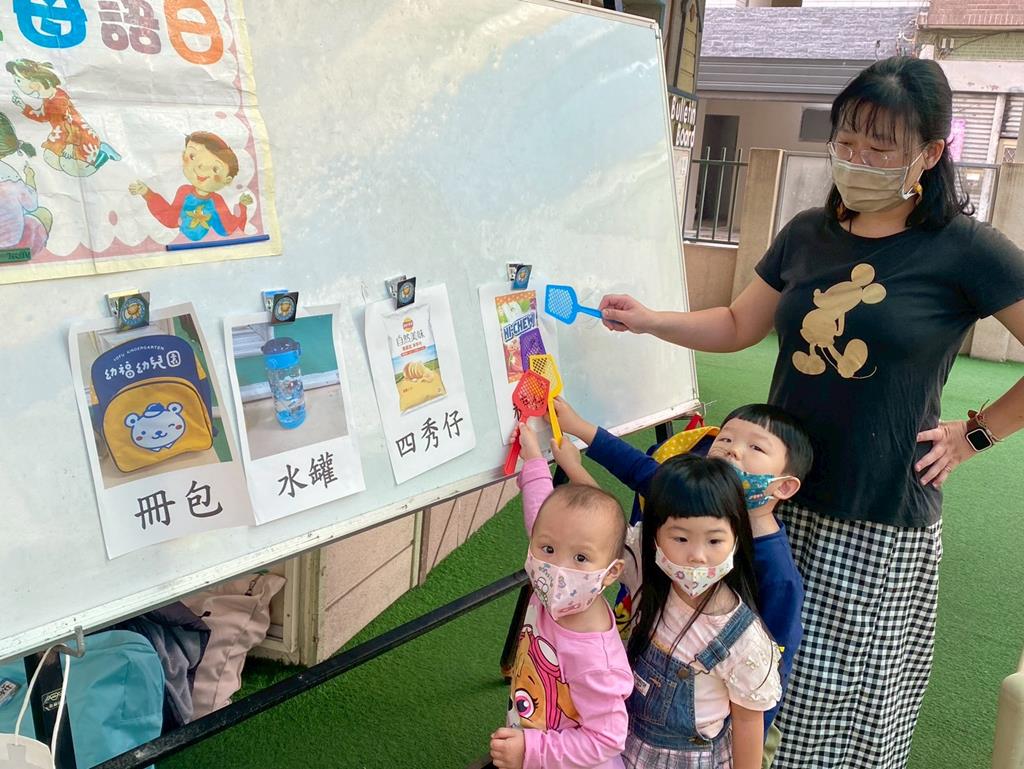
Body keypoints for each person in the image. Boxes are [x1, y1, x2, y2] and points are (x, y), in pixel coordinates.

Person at [597, 56, 1024, 769]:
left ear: (930, 154)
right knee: (741, 681)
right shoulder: (807, 233)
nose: (856, 160)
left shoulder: (965, 249)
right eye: (847, 140)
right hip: (769, 501)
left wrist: (977, 433)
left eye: (880, 148)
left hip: (874, 517)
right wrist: (650, 320)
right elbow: (739, 322)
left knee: (844, 713)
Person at [552, 399, 812, 766]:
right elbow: (622, 509)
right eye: (725, 439)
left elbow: (766, 679)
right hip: (631, 734)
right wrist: (579, 437)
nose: (733, 451)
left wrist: (751, 741)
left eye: (755, 447)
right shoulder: (684, 510)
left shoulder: (770, 589)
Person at [490, 423, 633, 769]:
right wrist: (535, 461)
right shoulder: (555, 589)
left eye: (581, 558)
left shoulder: (596, 661)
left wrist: (531, 751)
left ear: (611, 572)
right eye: (548, 550)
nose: (557, 568)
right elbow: (541, 519)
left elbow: (606, 740)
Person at [129, 131, 253, 242]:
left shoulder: (216, 201)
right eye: (192, 157)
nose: (201, 167)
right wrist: (148, 194)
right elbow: (170, 217)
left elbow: (227, 229)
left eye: (215, 168)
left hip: (210, 245)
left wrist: (242, 207)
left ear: (227, 180)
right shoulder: (184, 192)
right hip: (178, 244)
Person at [7, 58, 121, 177]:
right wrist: (23, 106)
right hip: (62, 136)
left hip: (79, 137)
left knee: (74, 168)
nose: (16, 83)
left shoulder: (60, 100)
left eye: (18, 80)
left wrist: (70, 145)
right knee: (50, 158)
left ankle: (102, 154)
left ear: (34, 83)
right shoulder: (48, 99)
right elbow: (43, 116)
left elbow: (73, 124)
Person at [0, 110, 50, 255]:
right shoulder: (11, 179)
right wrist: (30, 177)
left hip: (10, 241)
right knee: (43, 215)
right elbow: (32, 205)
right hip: (12, 242)